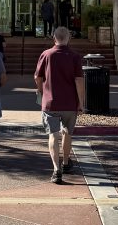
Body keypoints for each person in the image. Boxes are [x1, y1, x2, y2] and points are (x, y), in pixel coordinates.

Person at [33, 26, 86, 184]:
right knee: (67, 133)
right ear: (68, 37)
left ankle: (56, 170)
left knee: (52, 135)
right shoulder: (75, 56)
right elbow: (79, 80)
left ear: (54, 38)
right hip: (70, 103)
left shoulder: (46, 55)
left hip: (51, 102)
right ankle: (66, 162)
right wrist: (81, 102)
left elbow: (38, 77)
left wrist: (41, 90)